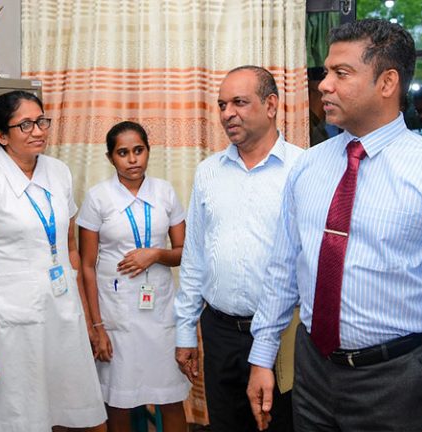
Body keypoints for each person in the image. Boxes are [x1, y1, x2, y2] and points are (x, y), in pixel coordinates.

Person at [247, 19, 422, 432]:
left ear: (387, 82)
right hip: (313, 370)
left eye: (341, 74)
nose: (324, 85)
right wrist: (262, 355)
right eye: (326, 72)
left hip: (398, 376)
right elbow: (283, 268)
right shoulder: (308, 167)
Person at [0, 90, 107, 432]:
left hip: (61, 308)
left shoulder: (58, 172)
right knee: (20, 415)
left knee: (72, 408)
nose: (38, 130)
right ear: (1, 135)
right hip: (12, 319)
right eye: (25, 124)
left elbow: (69, 248)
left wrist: (82, 313)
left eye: (41, 121)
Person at [174, 65, 303, 432]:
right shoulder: (209, 172)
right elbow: (195, 256)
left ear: (271, 105)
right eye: (222, 104)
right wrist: (185, 331)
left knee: (282, 424)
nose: (227, 113)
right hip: (220, 332)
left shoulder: (303, 168)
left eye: (240, 102)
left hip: (285, 334)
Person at [77, 121, 190, 432]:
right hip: (117, 315)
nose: (132, 159)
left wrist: (154, 254)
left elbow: (183, 252)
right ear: (111, 157)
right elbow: (86, 265)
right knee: (120, 400)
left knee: (170, 396)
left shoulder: (165, 192)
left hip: (161, 312)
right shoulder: (98, 198)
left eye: (138, 150)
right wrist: (96, 326)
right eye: (123, 152)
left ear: (148, 151)